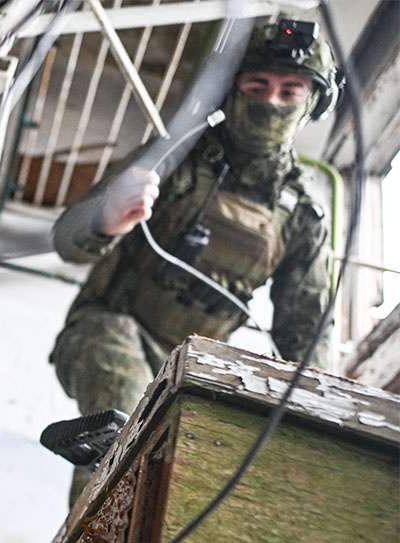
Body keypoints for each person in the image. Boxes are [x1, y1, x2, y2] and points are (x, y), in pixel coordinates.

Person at [48, 17, 343, 507]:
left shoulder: (302, 218)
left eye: (290, 91)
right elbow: (66, 240)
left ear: (313, 102)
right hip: (104, 329)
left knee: (182, 476)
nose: (271, 101)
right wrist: (107, 220)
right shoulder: (173, 158)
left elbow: (309, 338)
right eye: (256, 85)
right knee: (127, 424)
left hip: (194, 372)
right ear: (232, 88)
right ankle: (94, 532)